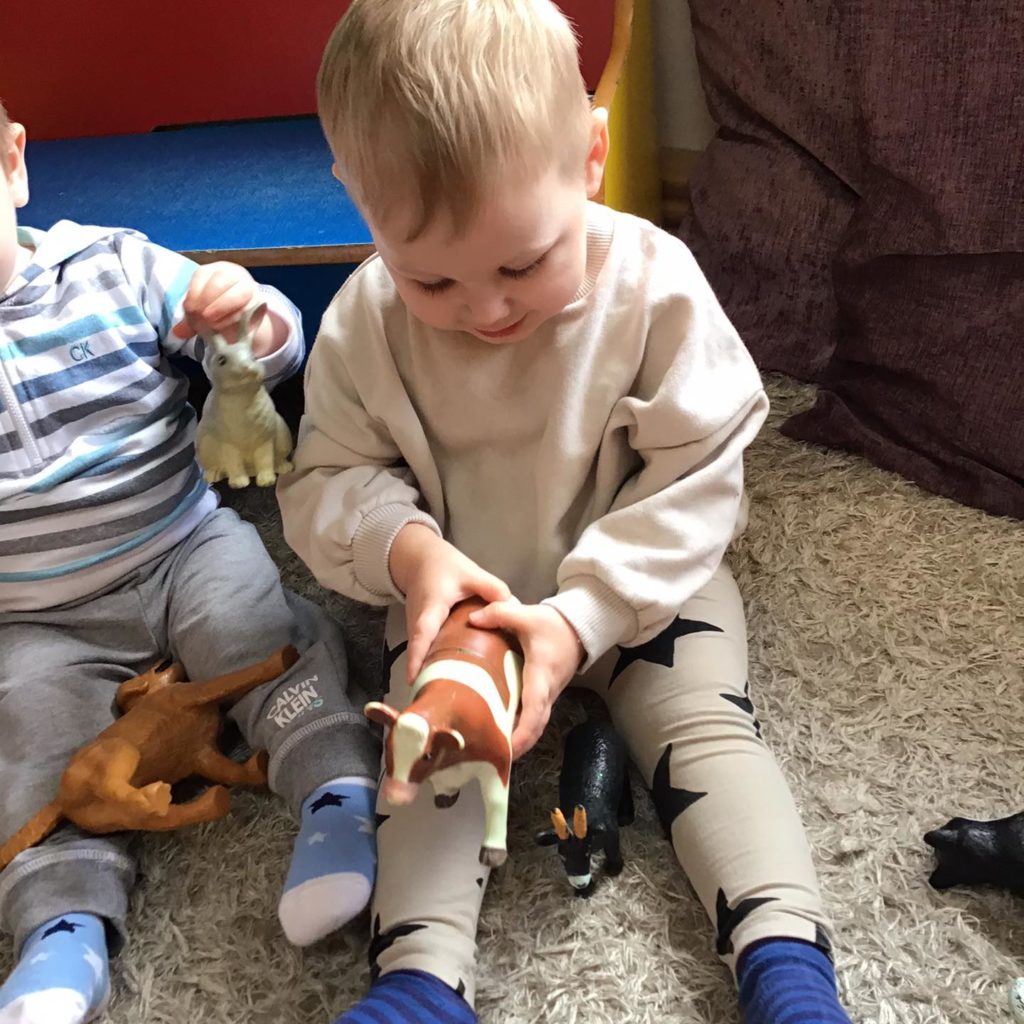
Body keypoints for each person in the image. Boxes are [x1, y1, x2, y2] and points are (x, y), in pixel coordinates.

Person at [278, 1, 854, 1022]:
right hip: (468, 609)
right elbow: (326, 478)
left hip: (641, 588)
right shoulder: (366, 320)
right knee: (427, 765)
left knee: (707, 735)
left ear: (590, 159)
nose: (487, 308)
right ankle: (418, 982)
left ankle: (787, 969)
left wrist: (587, 613)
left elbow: (699, 473)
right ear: (358, 204)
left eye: (521, 263)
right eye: (432, 278)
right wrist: (409, 554)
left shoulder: (655, 287)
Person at [0, 101, 381, 1024]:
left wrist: (243, 316)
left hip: (180, 542)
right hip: (35, 613)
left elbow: (269, 351)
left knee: (253, 629)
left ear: (12, 164)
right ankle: (61, 929)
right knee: (32, 730)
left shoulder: (111, 265)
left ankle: (336, 795)